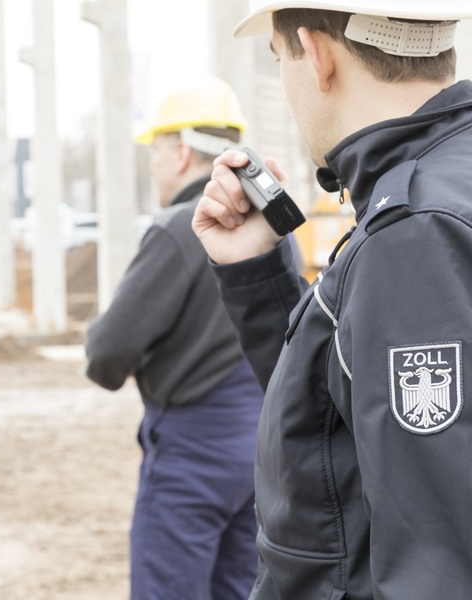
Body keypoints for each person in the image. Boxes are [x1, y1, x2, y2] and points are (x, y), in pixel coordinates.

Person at [192, 2, 472, 599]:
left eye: (278, 59)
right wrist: (254, 273)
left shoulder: (414, 234)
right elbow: (341, 427)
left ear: (315, 55)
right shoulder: (439, 192)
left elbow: (442, 563)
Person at [85, 80, 265, 600]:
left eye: (156, 152)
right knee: (239, 588)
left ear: (182, 151)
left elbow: (107, 352)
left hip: (192, 457)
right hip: (256, 453)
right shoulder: (270, 228)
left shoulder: (177, 229)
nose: (153, 166)